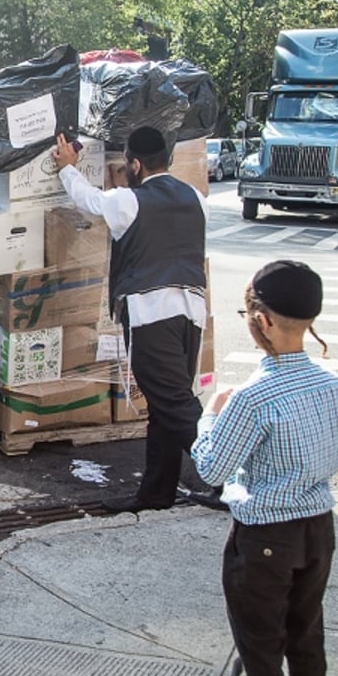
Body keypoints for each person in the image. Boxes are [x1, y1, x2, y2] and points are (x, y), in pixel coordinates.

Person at [192, 260, 338, 676]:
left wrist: (210, 418)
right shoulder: (333, 384)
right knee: (305, 637)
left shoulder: (251, 398)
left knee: (258, 649)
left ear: (261, 320)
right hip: (319, 529)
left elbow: (211, 469)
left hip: (264, 536)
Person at [54, 127, 211, 513]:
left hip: (152, 314)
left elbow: (87, 199)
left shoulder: (129, 202)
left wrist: (67, 167)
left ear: (136, 164)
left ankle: (230, 472)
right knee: (165, 406)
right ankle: (157, 494)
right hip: (191, 313)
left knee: (174, 406)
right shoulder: (196, 198)